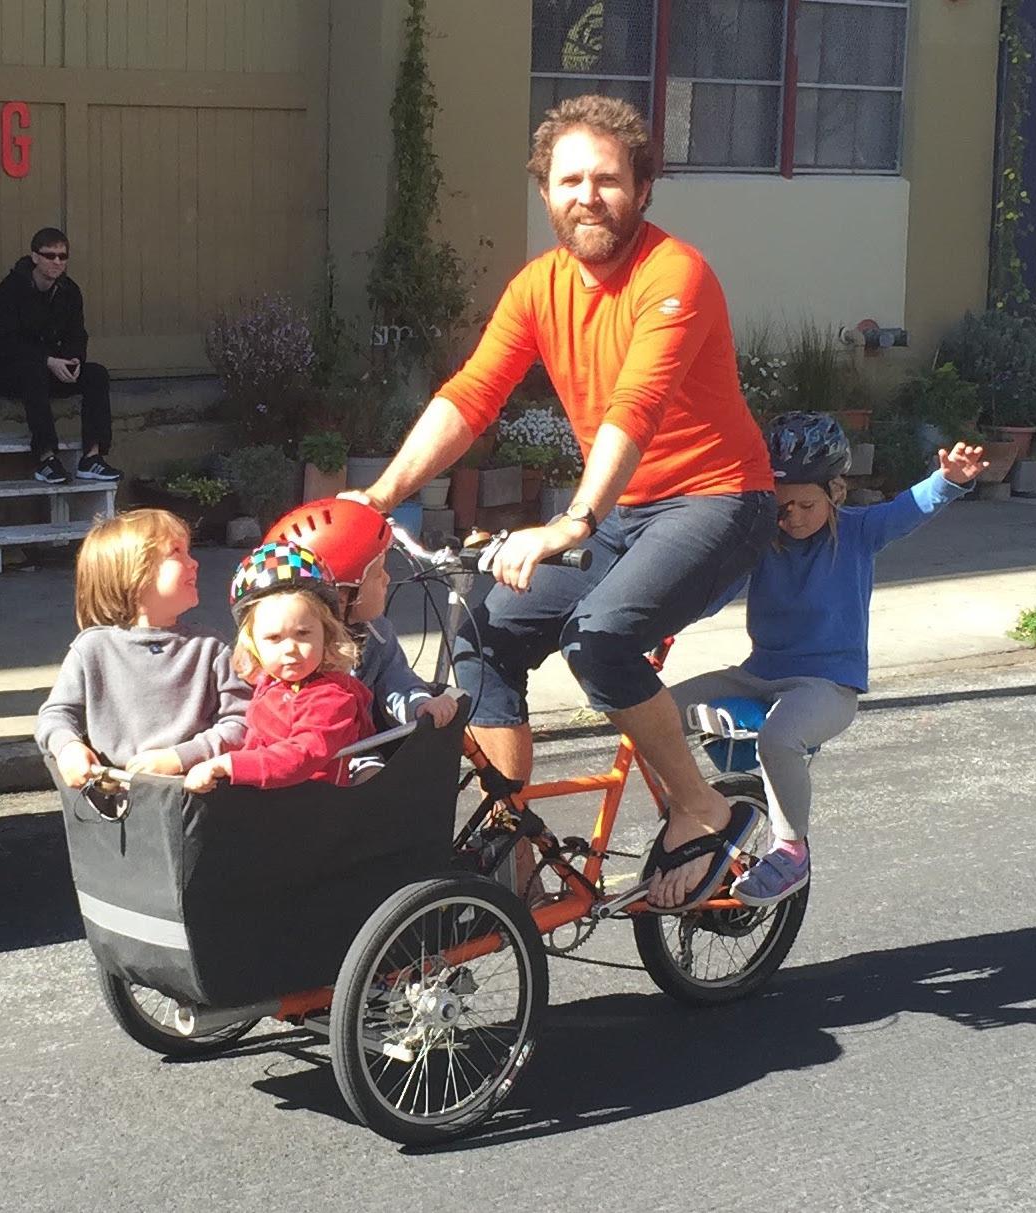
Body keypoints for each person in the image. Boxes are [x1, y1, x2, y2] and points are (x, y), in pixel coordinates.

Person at [346, 95, 774, 911]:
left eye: (607, 179)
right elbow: (472, 394)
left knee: (601, 638)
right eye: (569, 179)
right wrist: (378, 497)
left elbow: (633, 410)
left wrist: (571, 520)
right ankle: (506, 850)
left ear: (642, 189)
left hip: (718, 500)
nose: (587, 195)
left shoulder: (672, 274)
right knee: (480, 633)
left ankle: (700, 805)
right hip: (624, 512)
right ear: (545, 192)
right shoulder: (538, 286)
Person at [672, 413, 988, 906]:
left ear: (835, 492)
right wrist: (655, 619)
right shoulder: (761, 542)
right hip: (758, 674)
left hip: (827, 685)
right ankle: (689, 817)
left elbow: (909, 507)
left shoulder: (861, 531)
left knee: (779, 739)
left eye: (806, 504)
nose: (793, 517)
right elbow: (711, 593)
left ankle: (790, 853)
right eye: (781, 507)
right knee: (653, 712)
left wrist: (948, 481)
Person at [36, 509, 250, 790]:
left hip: (190, 801)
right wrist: (68, 748)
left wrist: (182, 757)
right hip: (111, 805)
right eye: (177, 552)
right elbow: (56, 714)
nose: (194, 563)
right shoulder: (92, 650)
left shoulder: (211, 649)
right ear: (134, 572)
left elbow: (242, 721)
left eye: (189, 551)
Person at [184, 542, 373, 793]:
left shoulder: (329, 697)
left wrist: (230, 765)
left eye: (303, 634)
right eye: (274, 638)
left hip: (311, 809)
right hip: (270, 802)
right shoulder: (271, 683)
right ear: (253, 644)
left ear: (326, 635)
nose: (290, 649)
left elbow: (301, 754)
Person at [264, 498, 458, 731]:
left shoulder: (376, 631)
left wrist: (420, 705)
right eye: (377, 574)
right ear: (342, 596)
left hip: (357, 750)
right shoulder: (283, 654)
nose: (387, 579)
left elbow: (398, 681)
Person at [0, 226, 122, 485]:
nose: (57, 262)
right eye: (50, 256)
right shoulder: (10, 289)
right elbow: (5, 341)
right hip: (11, 373)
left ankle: (92, 457)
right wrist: (46, 360)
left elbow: (77, 334)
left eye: (62, 256)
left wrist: (74, 361)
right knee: (33, 370)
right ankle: (46, 457)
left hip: (55, 369)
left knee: (96, 375)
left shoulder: (69, 291)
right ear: (35, 257)